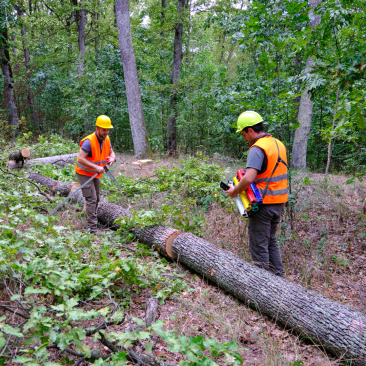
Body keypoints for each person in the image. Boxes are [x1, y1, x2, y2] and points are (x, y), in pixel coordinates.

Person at [225, 111, 288, 277]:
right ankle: (278, 278)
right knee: (270, 241)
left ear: (251, 130)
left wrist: (234, 191)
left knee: (258, 244)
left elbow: (249, 178)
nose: (244, 138)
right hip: (279, 202)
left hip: (263, 204)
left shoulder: (257, 148)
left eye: (244, 134)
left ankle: (263, 286)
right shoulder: (278, 144)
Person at [75, 115, 116, 234]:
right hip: (84, 173)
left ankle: (94, 221)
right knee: (91, 199)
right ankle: (91, 227)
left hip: (95, 173)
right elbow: (81, 159)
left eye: (108, 130)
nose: (106, 132)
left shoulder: (106, 139)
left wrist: (112, 158)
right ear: (97, 128)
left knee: (97, 198)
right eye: (104, 130)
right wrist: (96, 167)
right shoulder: (89, 141)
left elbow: (111, 152)